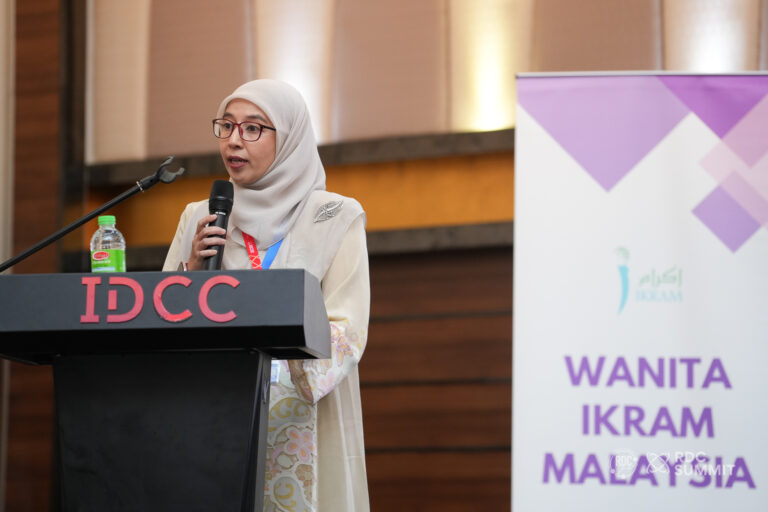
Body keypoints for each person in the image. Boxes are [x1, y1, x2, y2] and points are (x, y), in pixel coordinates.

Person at [163, 79, 370, 512]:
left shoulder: (334, 216)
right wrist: (193, 273)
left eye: (253, 128)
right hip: (216, 411)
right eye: (227, 126)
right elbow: (162, 321)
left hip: (302, 414)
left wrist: (287, 363)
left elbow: (347, 327)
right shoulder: (200, 215)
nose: (234, 140)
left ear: (289, 137)